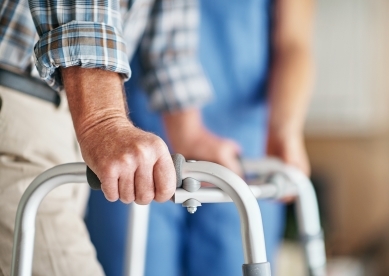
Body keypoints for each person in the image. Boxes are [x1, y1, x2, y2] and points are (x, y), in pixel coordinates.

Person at [86, 0, 314, 275]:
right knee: (132, 262)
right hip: (137, 140)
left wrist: (285, 129)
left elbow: (294, 42)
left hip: (241, 153)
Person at [0, 0, 202, 275]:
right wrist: (102, 120)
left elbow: (170, 32)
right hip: (18, 98)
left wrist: (189, 134)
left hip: (66, 114)